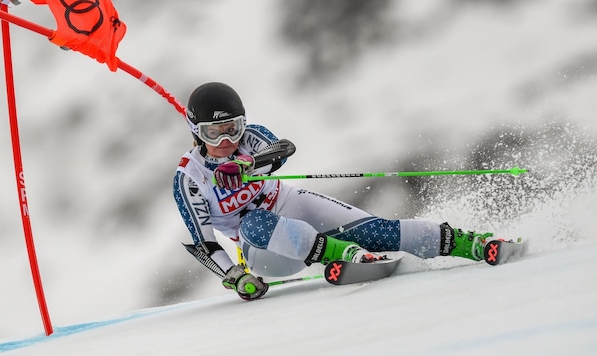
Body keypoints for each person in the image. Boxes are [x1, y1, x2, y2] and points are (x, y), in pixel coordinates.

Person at [173, 82, 494, 301]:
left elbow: (283, 149)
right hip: (264, 251)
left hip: (288, 204)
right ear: (196, 131)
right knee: (253, 221)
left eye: (232, 129)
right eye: (212, 133)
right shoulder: (190, 177)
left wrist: (247, 163)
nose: (225, 140)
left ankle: (473, 244)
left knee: (378, 231)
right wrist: (235, 277)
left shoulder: (250, 139)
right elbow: (201, 243)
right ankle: (343, 254)